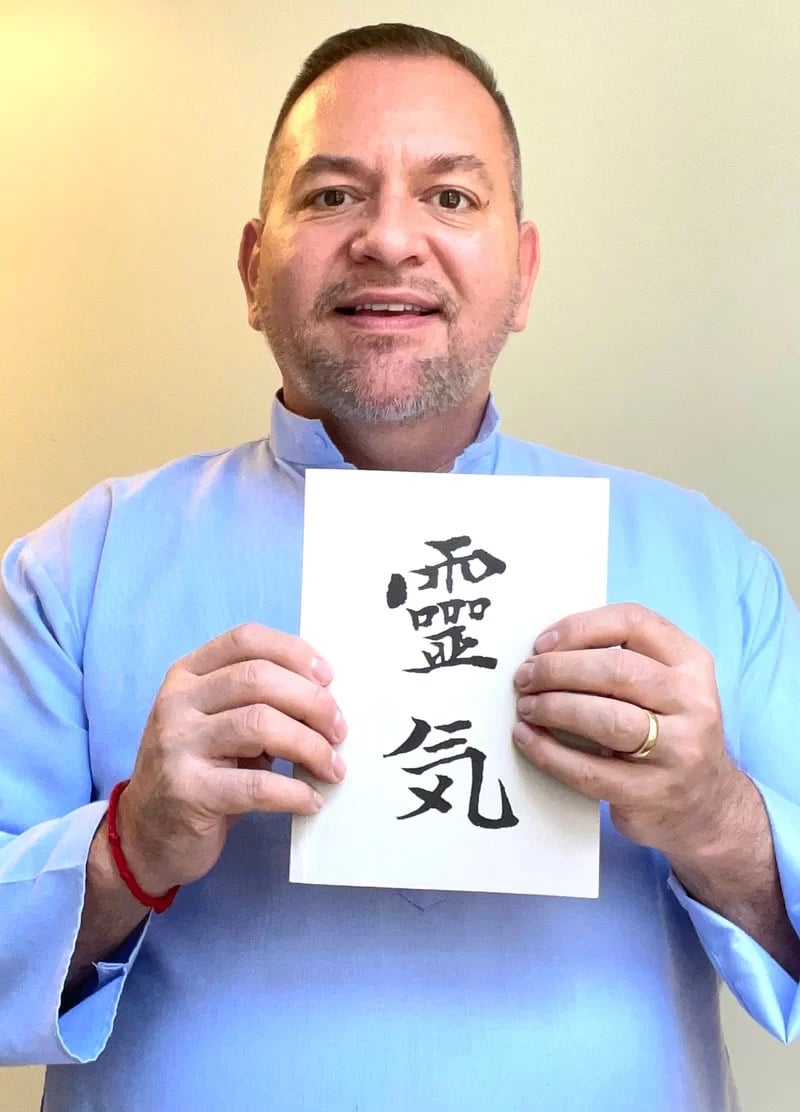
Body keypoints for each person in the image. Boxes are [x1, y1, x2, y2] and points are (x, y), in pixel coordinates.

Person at [1, 22, 798, 1112]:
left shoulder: (707, 564)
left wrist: (718, 816)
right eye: (330, 196)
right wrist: (127, 846)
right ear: (252, 266)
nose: (386, 238)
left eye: (450, 198)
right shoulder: (76, 568)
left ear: (519, 276)